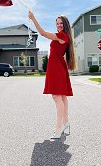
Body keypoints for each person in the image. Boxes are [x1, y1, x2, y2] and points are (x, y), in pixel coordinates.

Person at [28, 11, 76, 139]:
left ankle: (58, 129)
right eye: (57, 23)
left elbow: (42, 33)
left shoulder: (62, 36)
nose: (59, 25)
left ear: (65, 24)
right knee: (62, 97)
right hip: (58, 67)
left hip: (57, 68)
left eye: (61, 23)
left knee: (56, 97)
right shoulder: (64, 36)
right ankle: (66, 123)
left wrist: (33, 19)